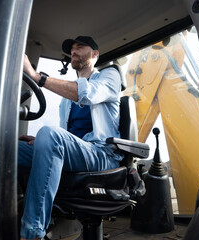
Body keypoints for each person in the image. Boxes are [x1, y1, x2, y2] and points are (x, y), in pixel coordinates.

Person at [19, 36, 123, 240]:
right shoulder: (66, 99)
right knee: (9, 148)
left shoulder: (110, 76)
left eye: (80, 47)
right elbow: (64, 136)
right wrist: (40, 141)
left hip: (102, 154)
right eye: (72, 49)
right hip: (78, 153)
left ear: (95, 54)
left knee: (50, 134)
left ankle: (31, 234)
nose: (73, 51)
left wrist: (36, 76)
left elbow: (87, 94)